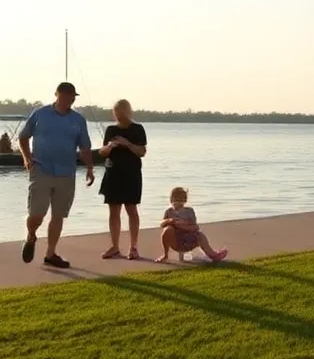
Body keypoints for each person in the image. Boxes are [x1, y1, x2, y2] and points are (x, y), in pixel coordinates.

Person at [18, 82, 94, 269]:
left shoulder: (78, 120)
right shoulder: (40, 114)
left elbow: (84, 147)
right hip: (41, 170)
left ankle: (50, 254)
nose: (70, 99)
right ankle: (31, 235)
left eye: (73, 96)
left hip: (66, 173)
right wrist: (27, 158)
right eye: (66, 95)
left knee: (58, 215)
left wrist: (90, 168)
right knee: (37, 214)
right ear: (57, 94)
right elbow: (23, 137)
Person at [99, 99, 148, 260]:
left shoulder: (137, 129)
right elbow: (102, 152)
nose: (118, 116)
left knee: (131, 210)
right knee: (114, 211)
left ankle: (133, 247)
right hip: (113, 173)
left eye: (121, 113)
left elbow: (141, 152)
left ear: (128, 112)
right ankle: (114, 247)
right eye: (116, 113)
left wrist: (127, 144)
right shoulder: (111, 129)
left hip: (131, 174)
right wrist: (110, 146)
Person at [158, 187, 229, 263]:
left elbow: (195, 227)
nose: (178, 203)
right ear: (171, 200)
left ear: (184, 201)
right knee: (167, 230)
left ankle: (213, 255)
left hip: (189, 240)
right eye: (175, 200)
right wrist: (170, 221)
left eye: (180, 200)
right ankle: (165, 255)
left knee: (200, 235)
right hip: (175, 241)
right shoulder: (169, 212)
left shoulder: (189, 211)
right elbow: (162, 224)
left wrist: (182, 225)